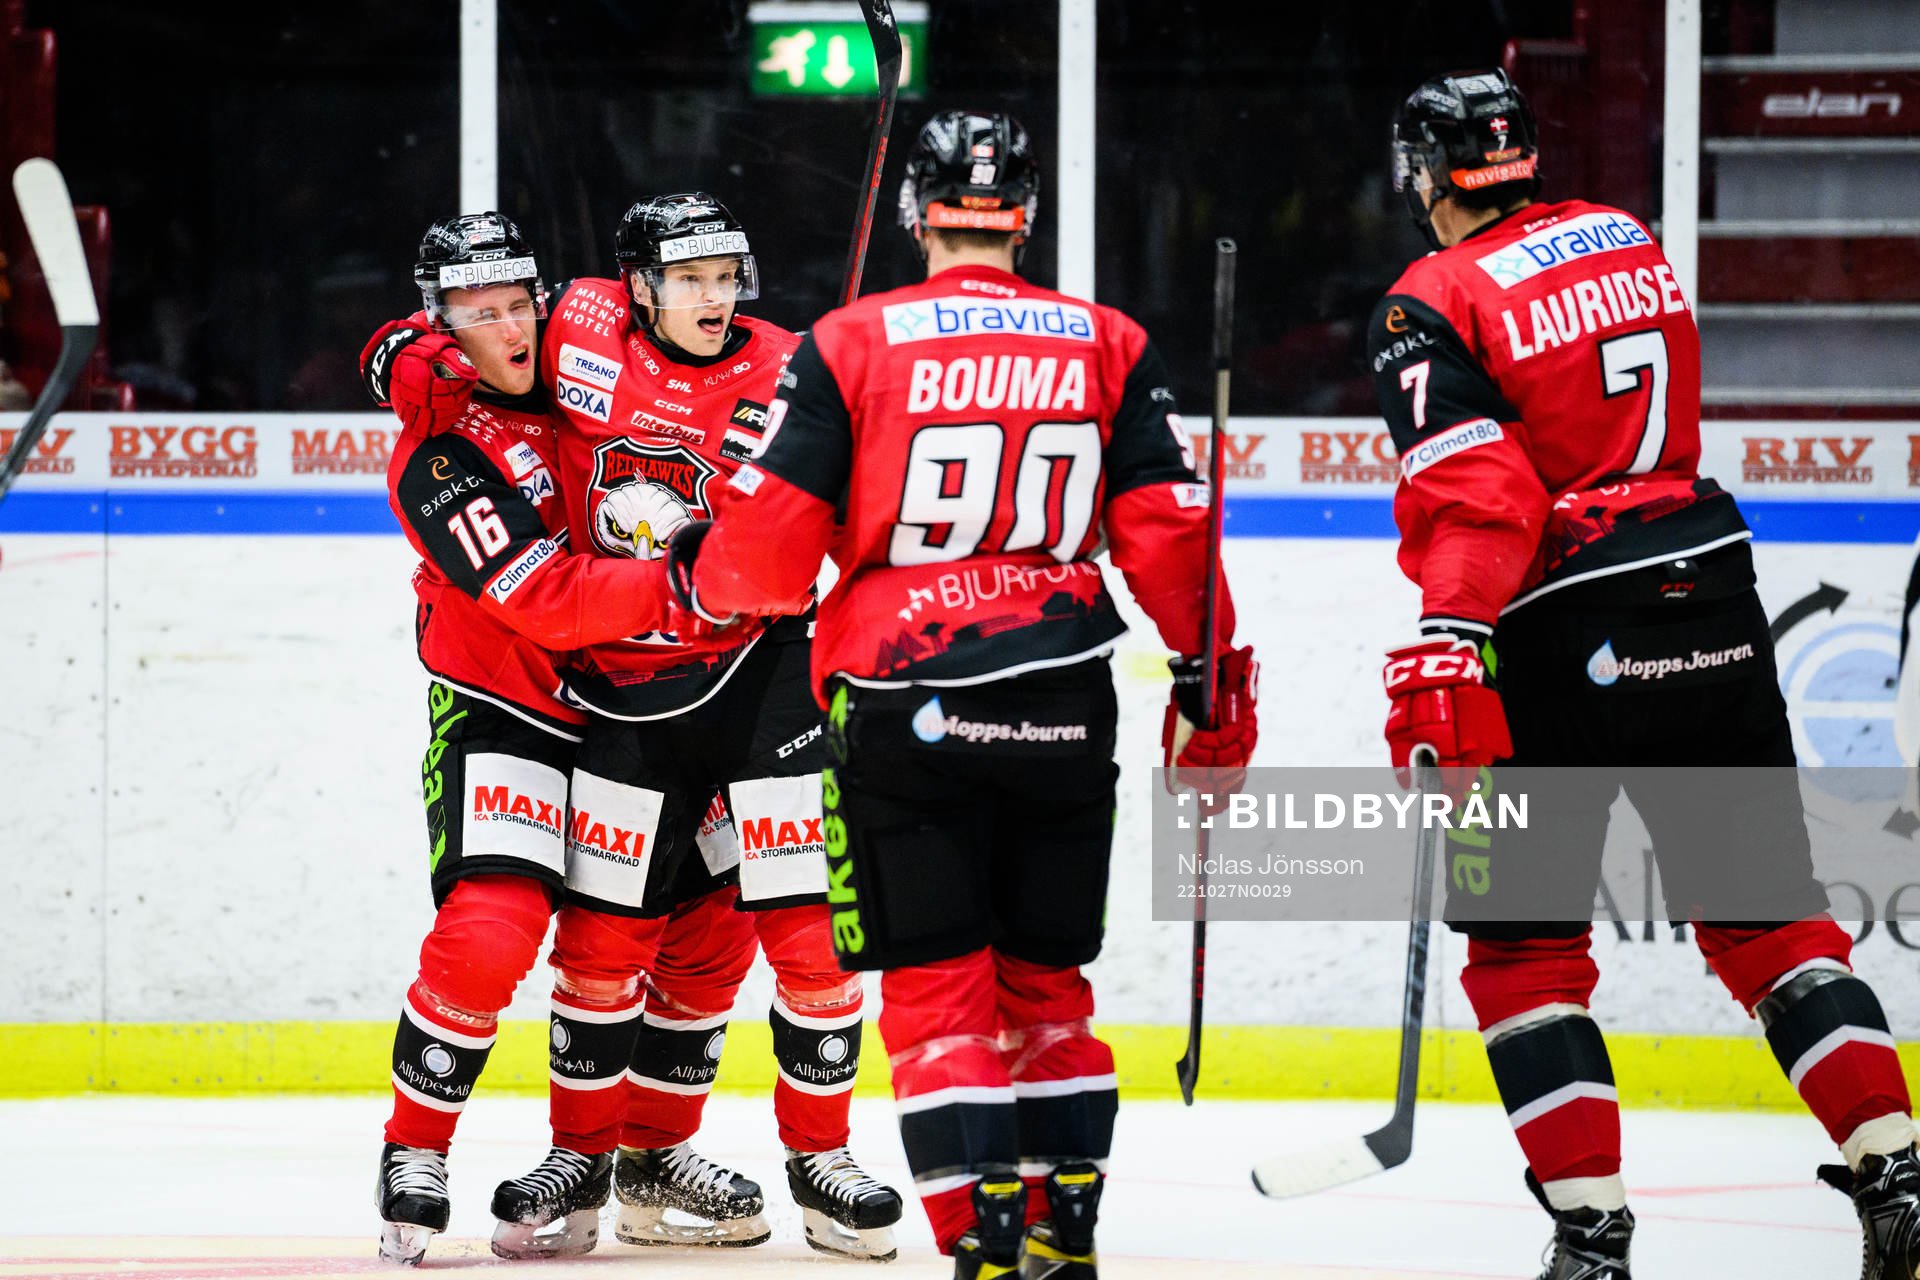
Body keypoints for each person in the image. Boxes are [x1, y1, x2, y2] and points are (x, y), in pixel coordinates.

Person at [665, 111, 1259, 1280]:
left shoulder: (851, 341)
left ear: (913, 214)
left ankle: (980, 1243)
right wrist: (1214, 682)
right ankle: (1063, 1226)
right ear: (1024, 214)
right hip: (1062, 694)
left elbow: (766, 567)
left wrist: (717, 556)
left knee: (940, 994)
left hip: (906, 696)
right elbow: (1171, 542)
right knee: (1051, 990)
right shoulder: (1107, 339)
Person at [1367, 69, 1919, 1280]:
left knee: (1523, 950)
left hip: (1568, 620)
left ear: (1425, 173)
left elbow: (1485, 494)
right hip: (1711, 584)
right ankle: (1899, 1170)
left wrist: (1451, 632)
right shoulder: (1625, 235)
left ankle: (1593, 1240)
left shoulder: (1430, 298)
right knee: (1772, 918)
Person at [486, 192, 903, 1262]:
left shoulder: (793, 364)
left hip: (764, 674)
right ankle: (582, 1156)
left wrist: (834, 437)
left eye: (730, 276)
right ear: (637, 285)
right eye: (692, 279)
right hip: (623, 684)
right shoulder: (575, 322)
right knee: (601, 945)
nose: (718, 298)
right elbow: (465, 328)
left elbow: (859, 512)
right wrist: (399, 348)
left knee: (812, 937)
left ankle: (822, 1162)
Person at [362, 211, 680, 1265]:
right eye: (480, 310)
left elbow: (678, 331)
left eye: (519, 303)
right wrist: (689, 582)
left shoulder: (588, 377)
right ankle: (415, 1149)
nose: (511, 327)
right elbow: (540, 594)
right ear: (440, 321)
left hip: (628, 704)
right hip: (500, 700)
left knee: (617, 946)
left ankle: (586, 1160)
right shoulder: (437, 446)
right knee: (493, 925)